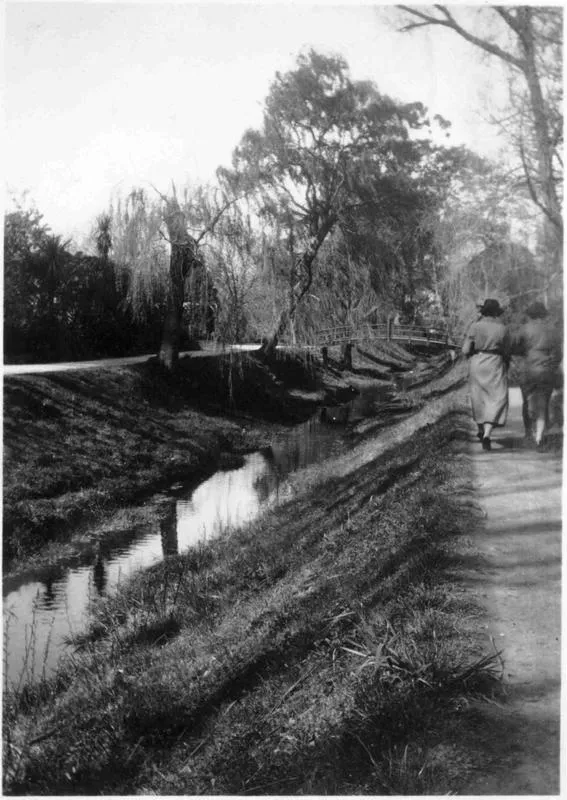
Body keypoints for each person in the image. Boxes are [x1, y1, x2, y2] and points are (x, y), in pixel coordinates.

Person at [511, 301, 562, 448]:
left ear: (530, 315)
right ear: (543, 314)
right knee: (543, 403)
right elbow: (558, 355)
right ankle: (540, 435)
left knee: (527, 401)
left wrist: (521, 355)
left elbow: (513, 346)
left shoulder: (524, 329)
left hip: (527, 371)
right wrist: (551, 366)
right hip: (546, 372)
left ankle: (529, 433)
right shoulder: (553, 331)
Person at [462, 298, 511, 451]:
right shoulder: (503, 329)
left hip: (477, 363)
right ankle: (487, 434)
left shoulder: (475, 327)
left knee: (478, 397)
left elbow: (465, 350)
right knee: (497, 397)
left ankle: (480, 429)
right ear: (496, 313)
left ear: (483, 312)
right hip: (495, 363)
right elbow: (507, 351)